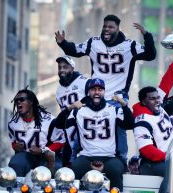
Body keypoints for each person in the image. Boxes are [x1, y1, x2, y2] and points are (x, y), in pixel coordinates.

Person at [55, 15, 156, 159]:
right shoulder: (93, 43)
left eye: (110, 27)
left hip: (117, 95)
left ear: (117, 29)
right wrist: (62, 43)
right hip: (95, 93)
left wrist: (147, 35)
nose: (106, 29)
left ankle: (121, 159)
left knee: (119, 125)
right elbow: (75, 50)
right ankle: (74, 158)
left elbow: (150, 55)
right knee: (78, 121)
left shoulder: (130, 45)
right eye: (105, 26)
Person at [55, 78, 134, 191]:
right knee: (73, 172)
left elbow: (130, 124)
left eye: (100, 89)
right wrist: (70, 107)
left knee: (116, 170)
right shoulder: (79, 111)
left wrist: (124, 104)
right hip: (86, 156)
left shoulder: (114, 109)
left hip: (110, 157)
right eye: (93, 89)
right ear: (88, 92)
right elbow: (59, 124)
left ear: (104, 92)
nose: (97, 92)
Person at [8, 88, 65, 176]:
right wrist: (15, 146)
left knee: (55, 170)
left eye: (22, 99)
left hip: (47, 156)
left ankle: (50, 188)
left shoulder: (49, 120)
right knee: (15, 164)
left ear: (31, 102)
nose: (18, 102)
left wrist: (42, 150)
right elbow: (13, 142)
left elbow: (61, 142)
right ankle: (16, 188)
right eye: (16, 100)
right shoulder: (13, 123)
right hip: (26, 155)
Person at [55, 55, 89, 166]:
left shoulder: (84, 81)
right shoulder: (59, 90)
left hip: (84, 127)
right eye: (59, 67)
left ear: (72, 68)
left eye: (65, 67)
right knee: (67, 164)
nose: (61, 70)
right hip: (68, 130)